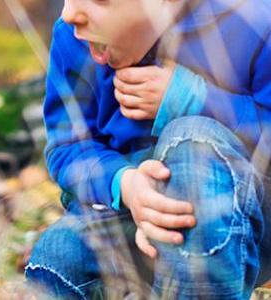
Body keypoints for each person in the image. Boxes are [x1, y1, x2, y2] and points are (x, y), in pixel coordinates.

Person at [26, 0, 271, 298]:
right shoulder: (72, 39)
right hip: (129, 217)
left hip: (248, 213)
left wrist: (193, 99)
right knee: (57, 256)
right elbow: (68, 146)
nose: (70, 14)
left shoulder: (253, 19)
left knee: (193, 144)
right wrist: (125, 184)